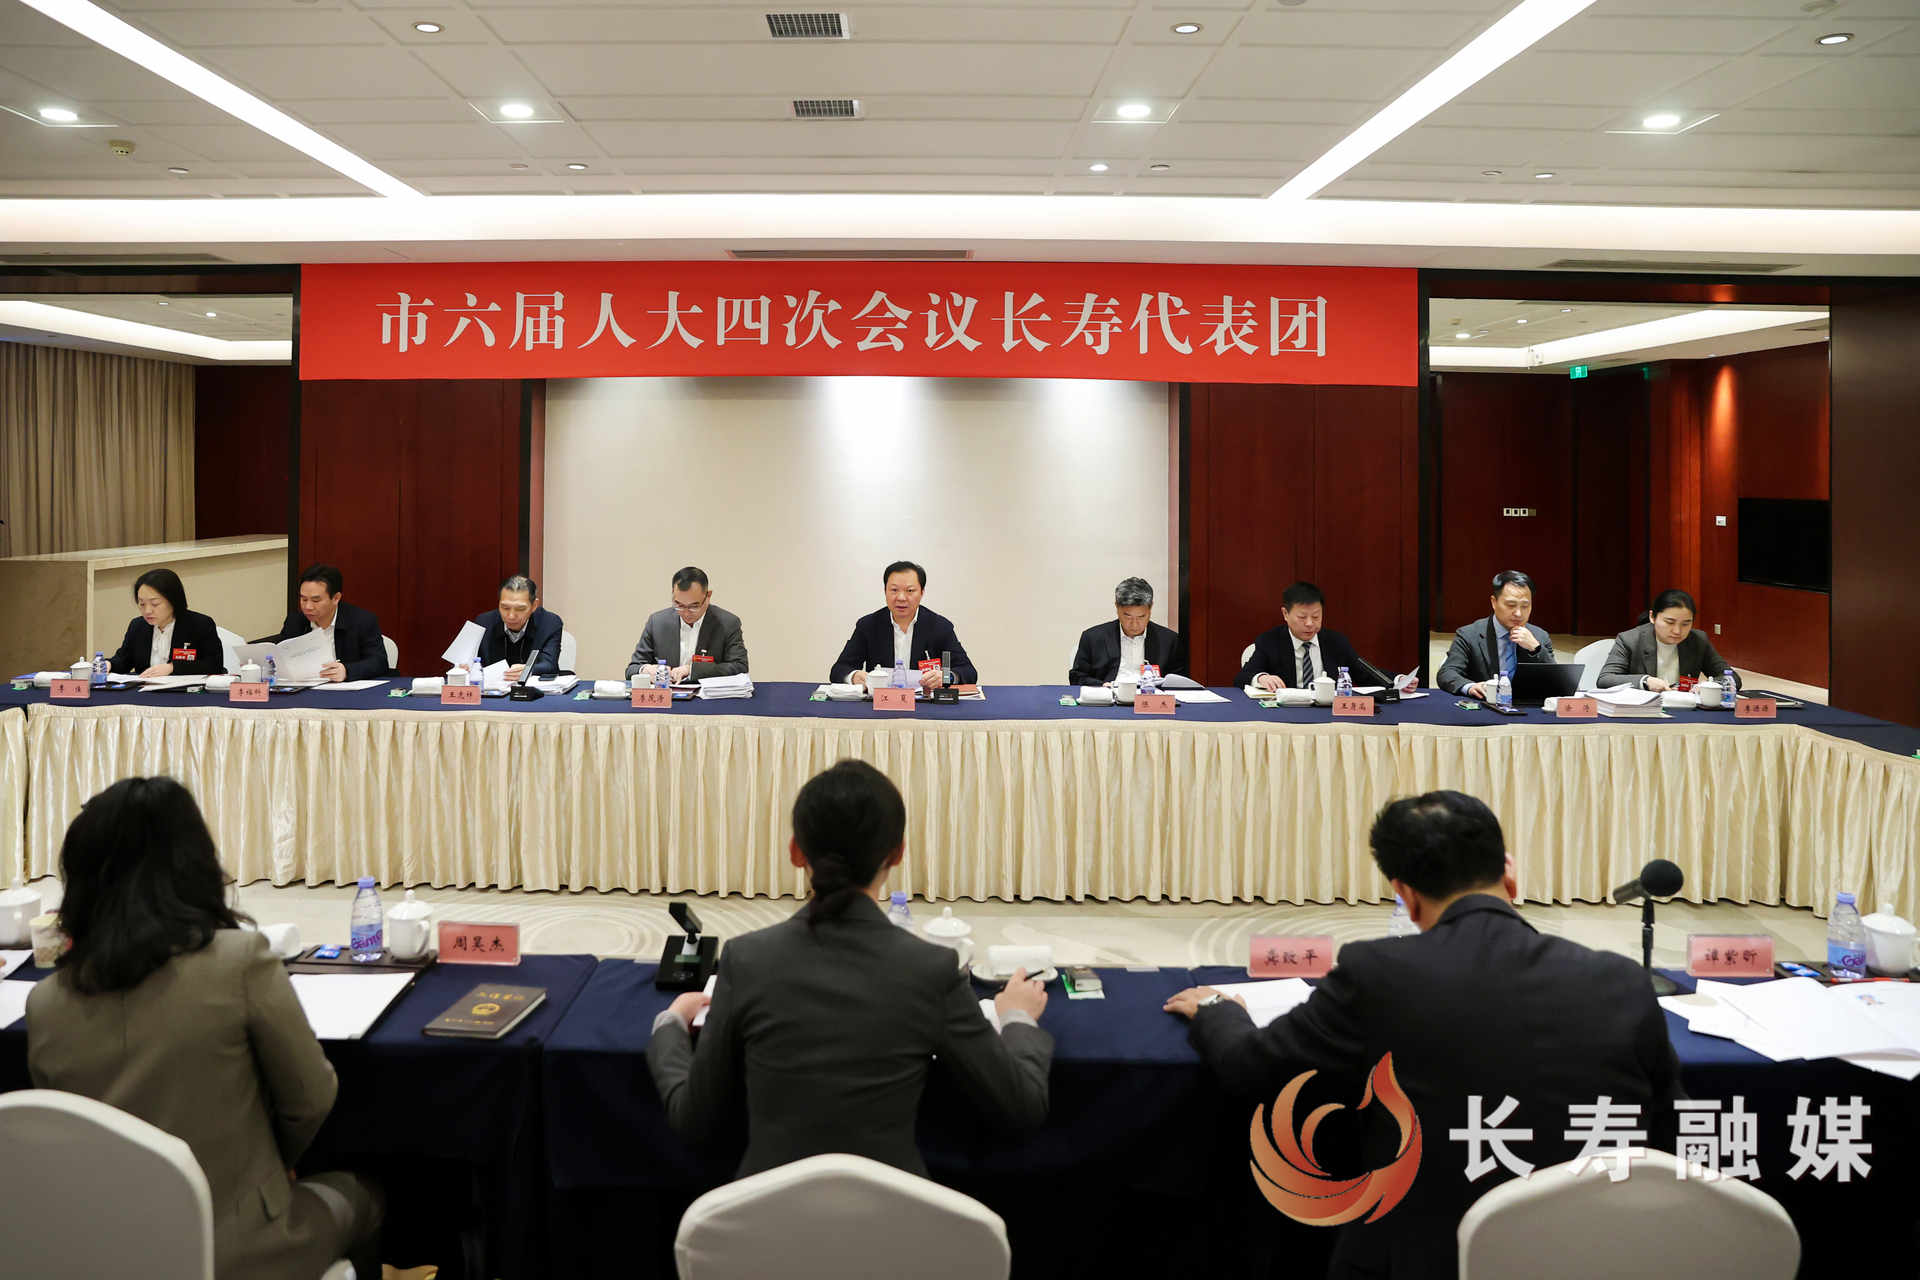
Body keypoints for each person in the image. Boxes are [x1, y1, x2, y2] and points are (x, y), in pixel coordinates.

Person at [1165, 791, 1680, 1280]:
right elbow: (1669, 1132)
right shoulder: (1622, 979)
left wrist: (1216, 1010)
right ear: (1509, 872)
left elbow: (1250, 1069)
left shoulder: (1376, 973)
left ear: (1405, 896)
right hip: (1602, 1255)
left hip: (1425, 1261)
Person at [26, 777, 387, 1280]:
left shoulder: (44, 1003)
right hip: (240, 1250)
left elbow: (67, 1140)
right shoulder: (238, 961)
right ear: (193, 862)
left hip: (107, 1256)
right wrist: (269, 1167)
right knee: (368, 1196)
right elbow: (311, 1098)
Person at [647, 759, 1051, 1178]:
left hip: (766, 1214)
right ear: (898, 853)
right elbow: (1020, 1109)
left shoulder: (745, 959)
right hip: (894, 1213)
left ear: (795, 851)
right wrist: (1017, 1017)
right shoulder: (932, 969)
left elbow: (695, 1120)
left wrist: (669, 1024)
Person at [830, 561, 976, 689]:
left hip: (924, 705)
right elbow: (839, 669)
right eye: (894, 590)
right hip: (880, 704)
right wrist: (854, 676)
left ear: (922, 593)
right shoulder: (868, 625)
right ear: (885, 591)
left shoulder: (940, 627)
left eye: (910, 591)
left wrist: (946, 677)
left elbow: (968, 671)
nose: (901, 598)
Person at [1235, 581, 1381, 691]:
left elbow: (1366, 674)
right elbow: (1243, 676)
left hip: (1327, 712)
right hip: (1286, 713)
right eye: (1302, 617)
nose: (1310, 623)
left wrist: (1393, 681)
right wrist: (1261, 678)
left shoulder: (1336, 642)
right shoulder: (1270, 641)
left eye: (1316, 617)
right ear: (1285, 614)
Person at [256, 564, 389, 682]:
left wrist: (346, 671)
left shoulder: (362, 621)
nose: (307, 607)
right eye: (303, 599)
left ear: (336, 598)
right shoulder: (295, 622)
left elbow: (378, 662)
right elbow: (281, 659)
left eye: (316, 600)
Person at [1436, 570, 1557, 698]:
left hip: (1527, 705)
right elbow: (1447, 673)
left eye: (1525, 606)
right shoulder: (1470, 635)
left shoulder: (1540, 636)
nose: (1518, 613)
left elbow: (1556, 681)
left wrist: (1536, 649)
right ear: (1494, 602)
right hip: (1484, 705)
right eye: (1511, 605)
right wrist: (1470, 687)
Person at [1598, 589, 1741, 693]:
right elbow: (1606, 679)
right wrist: (1646, 681)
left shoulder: (1698, 640)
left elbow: (1732, 677)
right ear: (1652, 617)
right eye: (1670, 622)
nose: (1677, 631)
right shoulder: (1630, 639)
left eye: (1685, 624)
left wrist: (1709, 686)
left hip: (1684, 709)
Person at [625, 566, 749, 682]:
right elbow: (633, 668)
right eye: (679, 605)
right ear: (673, 593)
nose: (686, 613)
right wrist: (646, 670)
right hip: (668, 693)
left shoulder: (727, 623)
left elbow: (740, 667)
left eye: (694, 606)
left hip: (707, 695)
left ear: (708, 596)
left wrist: (692, 670)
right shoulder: (657, 622)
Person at [1067, 576, 1188, 687]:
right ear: (1117, 607)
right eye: (1128, 616)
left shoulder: (1169, 640)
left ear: (1151, 608)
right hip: (1109, 697)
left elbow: (1179, 680)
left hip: (1151, 698)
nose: (1134, 625)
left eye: (1141, 617)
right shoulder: (1093, 638)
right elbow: (1077, 677)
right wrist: (1103, 685)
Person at [107, 567, 225, 677]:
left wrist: (172, 667)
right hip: (145, 690)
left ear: (173, 600)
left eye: (155, 604)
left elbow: (213, 665)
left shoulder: (199, 625)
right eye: (142, 604)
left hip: (184, 690)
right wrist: (108, 665)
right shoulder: (137, 626)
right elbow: (123, 660)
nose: (147, 611)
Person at [475, 574, 564, 680]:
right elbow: (467, 660)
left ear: (534, 606)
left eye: (520, 609)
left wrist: (528, 670)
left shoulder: (549, 623)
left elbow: (549, 664)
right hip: (494, 687)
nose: (511, 616)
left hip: (535, 688)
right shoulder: (484, 623)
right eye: (505, 607)